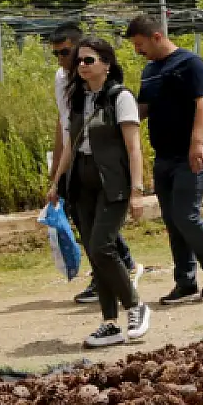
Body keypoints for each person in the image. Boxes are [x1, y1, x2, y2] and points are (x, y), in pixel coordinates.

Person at [45, 38, 151, 347]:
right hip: (81, 182)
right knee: (95, 253)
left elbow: (134, 148)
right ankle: (110, 323)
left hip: (112, 182)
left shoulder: (120, 98)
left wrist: (136, 191)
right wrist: (57, 181)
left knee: (103, 246)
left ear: (106, 63)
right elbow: (70, 145)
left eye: (88, 60)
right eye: (79, 61)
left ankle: (135, 306)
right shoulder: (79, 100)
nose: (81, 66)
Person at [127, 16, 203, 304]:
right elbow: (143, 108)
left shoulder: (190, 63)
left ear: (157, 36)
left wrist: (197, 142)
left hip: (191, 155)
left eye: (140, 44)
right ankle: (185, 281)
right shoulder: (149, 71)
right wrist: (118, 120)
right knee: (173, 220)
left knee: (187, 214)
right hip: (164, 156)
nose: (138, 50)